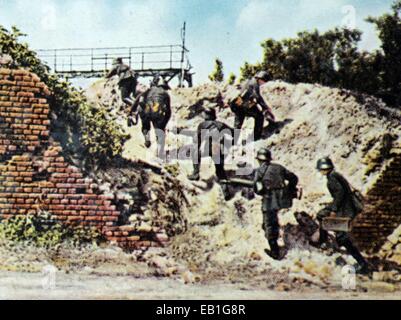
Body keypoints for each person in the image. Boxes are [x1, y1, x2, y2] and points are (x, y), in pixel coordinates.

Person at [316, 157, 370, 274]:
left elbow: (340, 194)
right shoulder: (335, 175)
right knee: (321, 215)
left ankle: (362, 264)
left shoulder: (332, 179)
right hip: (346, 207)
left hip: (345, 209)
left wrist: (334, 210)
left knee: (342, 238)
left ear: (324, 169)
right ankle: (323, 241)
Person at [254, 148, 298, 260]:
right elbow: (294, 178)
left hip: (269, 201)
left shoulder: (259, 171)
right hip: (281, 200)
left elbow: (257, 189)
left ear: (259, 160)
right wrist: (289, 189)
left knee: (268, 224)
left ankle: (275, 252)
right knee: (272, 221)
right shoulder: (279, 168)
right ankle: (275, 236)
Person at [188, 106, 234, 192]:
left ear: (207, 115)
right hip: (219, 149)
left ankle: (196, 173)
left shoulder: (202, 125)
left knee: (194, 151)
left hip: (208, 148)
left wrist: (197, 151)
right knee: (220, 170)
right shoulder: (221, 124)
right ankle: (225, 191)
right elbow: (234, 132)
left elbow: (197, 140)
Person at [129, 77, 171, 156]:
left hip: (146, 111)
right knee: (160, 132)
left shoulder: (147, 91)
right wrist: (164, 122)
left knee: (145, 126)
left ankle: (147, 139)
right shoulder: (165, 94)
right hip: (157, 112)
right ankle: (160, 152)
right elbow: (168, 110)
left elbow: (136, 102)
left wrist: (130, 113)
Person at [230, 71, 275, 141]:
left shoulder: (248, 81)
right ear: (261, 79)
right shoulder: (255, 83)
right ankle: (256, 137)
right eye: (264, 81)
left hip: (237, 103)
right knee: (259, 116)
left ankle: (233, 140)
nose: (263, 83)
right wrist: (266, 107)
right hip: (243, 103)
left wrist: (254, 103)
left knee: (238, 123)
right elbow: (257, 97)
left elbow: (243, 92)